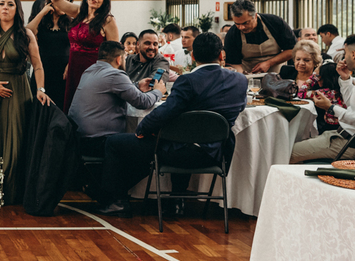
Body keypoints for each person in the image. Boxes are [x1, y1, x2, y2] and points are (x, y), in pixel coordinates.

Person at [99, 32, 247, 216]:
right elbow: (240, 107)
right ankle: (177, 199)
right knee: (180, 139)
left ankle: (113, 200)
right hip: (217, 153)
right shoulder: (241, 81)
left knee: (115, 143)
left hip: (180, 153)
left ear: (193, 56)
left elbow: (165, 112)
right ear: (221, 55)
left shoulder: (188, 81)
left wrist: (142, 129)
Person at [0, 0, 54, 203]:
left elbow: (38, 66)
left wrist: (40, 90)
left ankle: (12, 191)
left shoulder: (26, 34)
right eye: (2, 3)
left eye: (10, 4)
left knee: (16, 141)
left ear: (17, 9)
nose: (5, 7)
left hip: (19, 91)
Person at [289, 34, 355, 162]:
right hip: (345, 135)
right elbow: (352, 106)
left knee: (285, 152)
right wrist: (345, 79)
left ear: (353, 54)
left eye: (345, 53)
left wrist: (331, 108)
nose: (344, 57)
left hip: (350, 143)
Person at [68, 39, 162, 173]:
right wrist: (158, 91)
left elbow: (112, 89)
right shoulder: (115, 74)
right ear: (119, 59)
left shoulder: (89, 70)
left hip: (79, 139)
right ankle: (116, 190)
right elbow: (142, 102)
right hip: (99, 142)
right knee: (151, 146)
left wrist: (136, 86)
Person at [47, 0, 119, 111]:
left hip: (94, 72)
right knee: (72, 107)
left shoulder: (107, 20)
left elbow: (115, 56)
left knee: (88, 110)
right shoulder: (79, 12)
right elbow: (56, 0)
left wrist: (106, 79)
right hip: (74, 68)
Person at [223, 0, 296, 74]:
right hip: (249, 74)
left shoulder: (274, 23)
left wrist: (269, 63)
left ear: (255, 16)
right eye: (237, 24)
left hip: (277, 73)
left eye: (245, 23)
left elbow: (292, 50)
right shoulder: (232, 34)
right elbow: (234, 63)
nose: (241, 27)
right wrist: (242, 76)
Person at [28, 0, 72, 110]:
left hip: (63, 72)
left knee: (61, 108)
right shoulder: (42, 22)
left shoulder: (71, 23)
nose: (66, 4)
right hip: (43, 70)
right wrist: (43, 12)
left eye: (68, 1)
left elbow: (76, 47)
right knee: (41, 109)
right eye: (63, 0)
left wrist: (70, 64)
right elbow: (27, 32)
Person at [291, 40, 344, 134]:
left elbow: (301, 94)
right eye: (298, 59)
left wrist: (313, 76)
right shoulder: (287, 72)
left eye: (306, 60)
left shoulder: (321, 89)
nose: (301, 63)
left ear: (315, 62)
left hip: (318, 126)